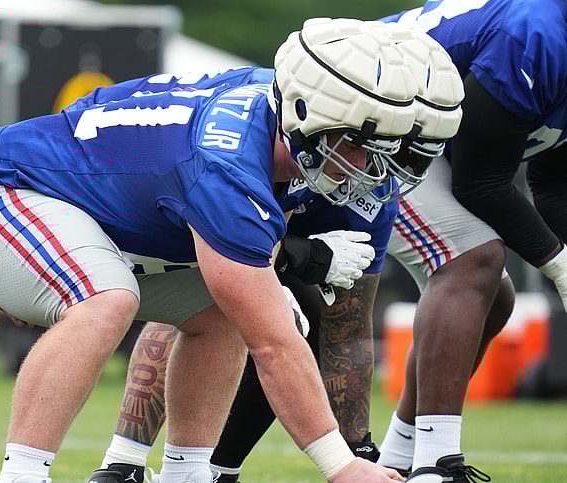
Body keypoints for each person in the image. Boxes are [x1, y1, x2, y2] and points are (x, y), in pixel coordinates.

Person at [0, 18, 419, 483]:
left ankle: (187, 474)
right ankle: (21, 476)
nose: (364, 165)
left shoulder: (274, 107)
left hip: (92, 214)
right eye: (353, 142)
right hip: (5, 183)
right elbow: (273, 345)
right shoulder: (226, 163)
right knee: (107, 299)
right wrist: (341, 465)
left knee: (223, 309)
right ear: (304, 115)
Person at [84, 20, 465, 483]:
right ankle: (123, 463)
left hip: (249, 223)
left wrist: (356, 450)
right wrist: (300, 255)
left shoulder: (370, 184)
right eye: (366, 143)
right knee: (201, 302)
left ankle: (217, 470)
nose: (378, 167)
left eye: (400, 148)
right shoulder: (243, 130)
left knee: (290, 327)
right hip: (143, 214)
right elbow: (210, 250)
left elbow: (346, 327)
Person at [376, 0, 567, 481]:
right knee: (475, 260)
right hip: (367, 126)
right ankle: (435, 466)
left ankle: (401, 459)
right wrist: (563, 269)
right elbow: (480, 183)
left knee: (493, 293)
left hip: (424, 141)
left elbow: (552, 184)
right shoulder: (538, 37)